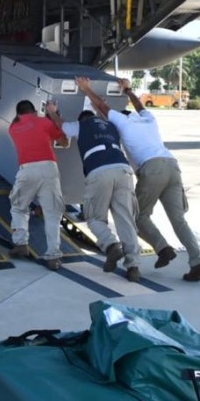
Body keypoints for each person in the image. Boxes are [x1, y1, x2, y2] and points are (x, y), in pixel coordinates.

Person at [77, 76, 200, 282]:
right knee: (178, 219)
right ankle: (198, 262)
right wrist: (127, 90)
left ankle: (163, 248)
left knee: (136, 216)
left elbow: (102, 106)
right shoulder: (148, 118)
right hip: (172, 166)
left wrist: (86, 89)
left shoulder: (122, 122)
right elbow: (139, 105)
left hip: (152, 169)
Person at [47, 108, 143, 282]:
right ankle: (133, 267)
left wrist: (52, 112)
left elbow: (62, 127)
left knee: (94, 218)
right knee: (125, 219)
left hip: (99, 172)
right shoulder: (111, 126)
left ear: (82, 119)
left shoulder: (81, 125)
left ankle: (111, 245)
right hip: (123, 170)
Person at [7, 99, 67, 271]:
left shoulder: (12, 128)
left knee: (18, 207)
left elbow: (22, 122)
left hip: (27, 170)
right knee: (52, 213)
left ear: (18, 115)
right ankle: (53, 257)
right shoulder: (44, 122)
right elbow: (64, 142)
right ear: (34, 112)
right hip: (49, 168)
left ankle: (21, 244)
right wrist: (54, 114)